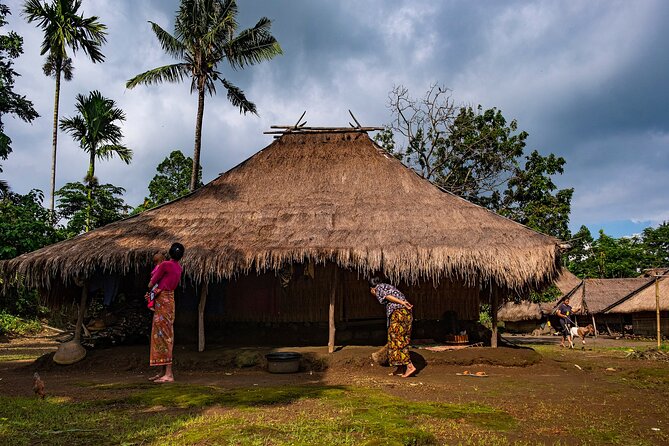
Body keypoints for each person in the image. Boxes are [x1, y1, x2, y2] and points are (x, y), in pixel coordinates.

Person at [148, 243, 184, 383]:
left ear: (169, 253)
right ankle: (162, 371)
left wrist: (152, 289)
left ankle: (168, 374)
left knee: (163, 335)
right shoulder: (178, 267)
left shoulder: (164, 265)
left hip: (162, 300)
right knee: (164, 334)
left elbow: (151, 283)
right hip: (170, 300)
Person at [369, 277, 416, 378]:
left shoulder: (379, 288)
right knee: (395, 339)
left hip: (399, 314)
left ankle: (409, 366)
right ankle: (400, 368)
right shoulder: (388, 286)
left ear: (372, 288)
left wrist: (402, 303)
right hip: (405, 314)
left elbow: (387, 296)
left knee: (397, 339)